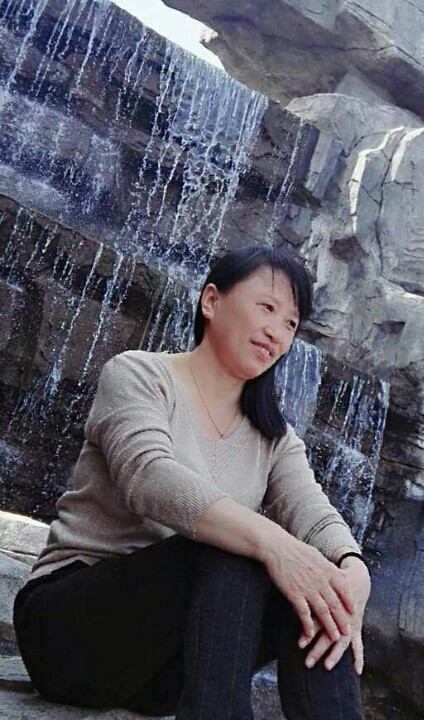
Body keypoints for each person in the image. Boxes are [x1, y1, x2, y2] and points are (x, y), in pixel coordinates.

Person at [13, 244, 371, 719]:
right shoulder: (139, 374)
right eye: (266, 307)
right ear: (211, 301)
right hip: (71, 633)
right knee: (238, 550)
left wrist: (351, 571)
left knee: (322, 589)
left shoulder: (274, 437)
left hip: (166, 667)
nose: (277, 332)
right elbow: (148, 475)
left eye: (290, 323)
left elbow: (314, 513)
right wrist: (274, 544)